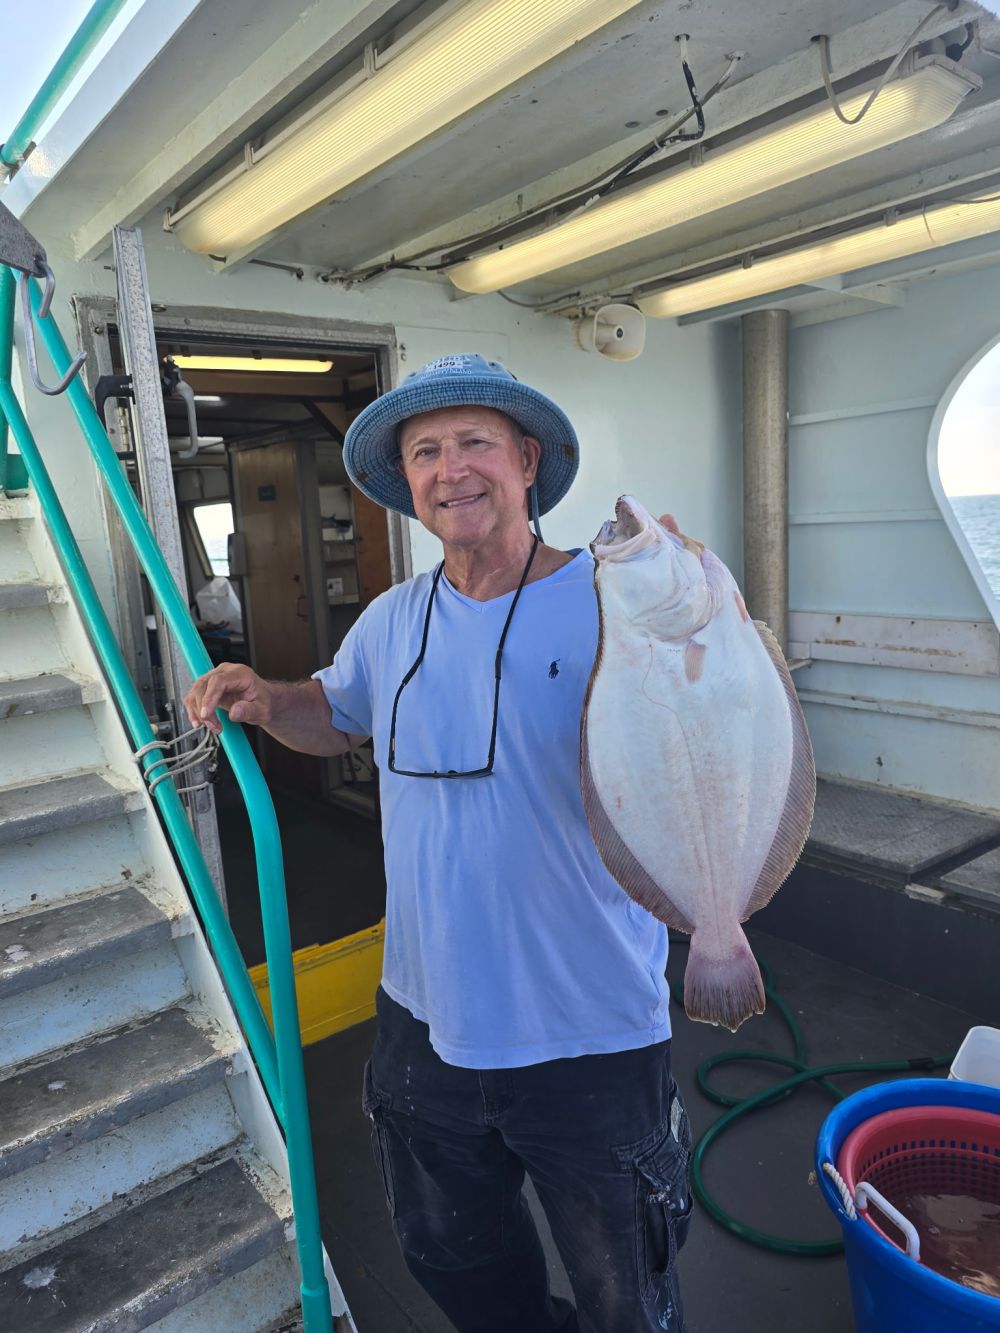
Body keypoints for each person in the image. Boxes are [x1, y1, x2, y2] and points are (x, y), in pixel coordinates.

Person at [184, 353, 692, 1333]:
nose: (450, 468)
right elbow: (335, 714)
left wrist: (699, 605)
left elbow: (709, 708)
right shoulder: (389, 619)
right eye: (425, 451)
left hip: (588, 1032)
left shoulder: (616, 597)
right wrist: (268, 697)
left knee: (625, 1288)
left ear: (526, 461)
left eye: (473, 443)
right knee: (451, 1258)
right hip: (422, 1024)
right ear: (405, 482)